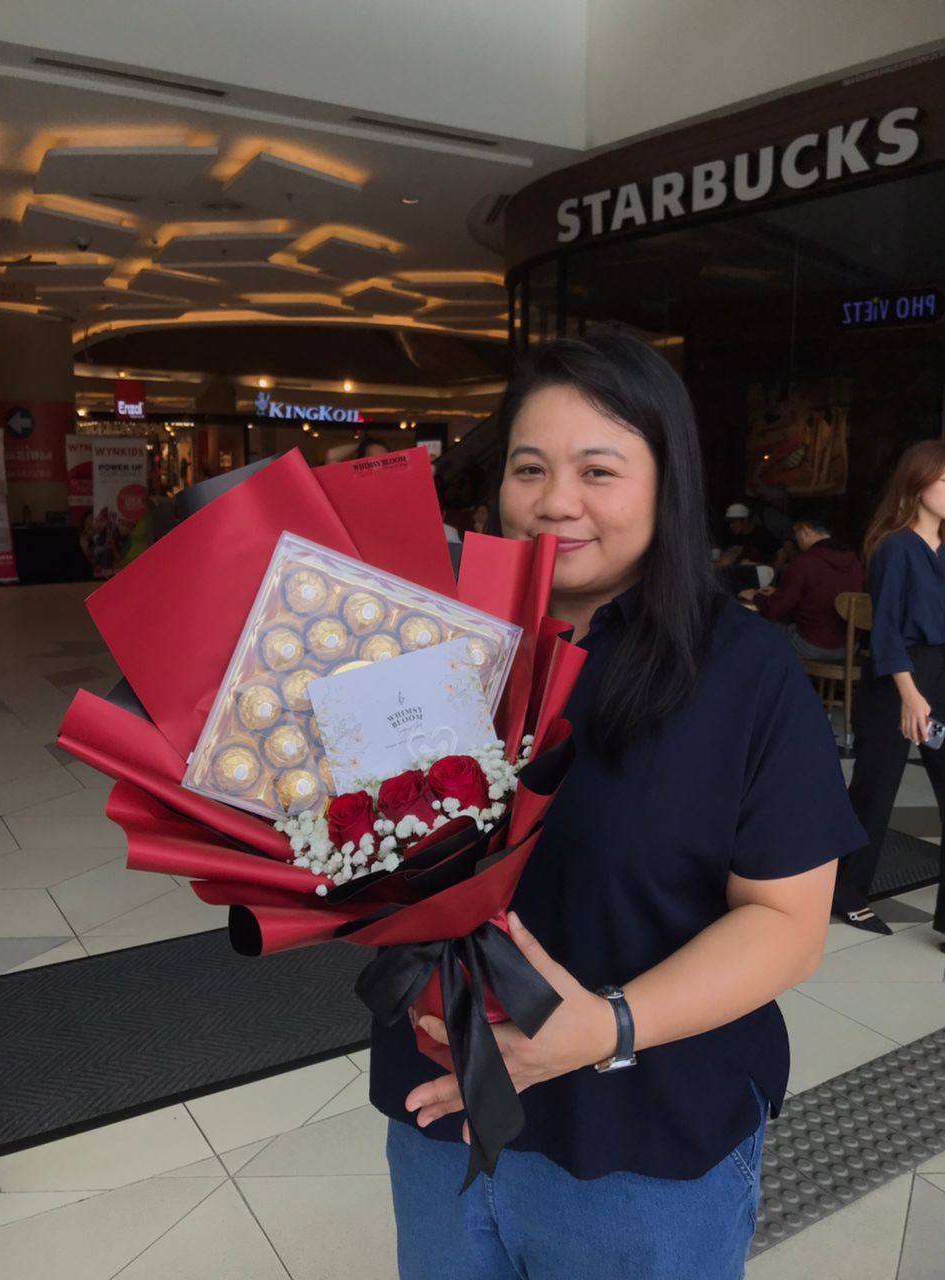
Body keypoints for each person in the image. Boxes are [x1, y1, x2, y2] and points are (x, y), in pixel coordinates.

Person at [370, 328, 864, 1279]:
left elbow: (788, 925)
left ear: (667, 481)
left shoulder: (743, 673)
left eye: (598, 470)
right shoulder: (433, 646)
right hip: (441, 1115)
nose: (556, 501)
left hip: (643, 1147)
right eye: (529, 468)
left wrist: (608, 1026)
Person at [835, 441, 945, 940]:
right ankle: (847, 895)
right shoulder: (894, 547)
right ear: (917, 484)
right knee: (874, 794)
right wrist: (909, 694)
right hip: (899, 680)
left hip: (941, 676)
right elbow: (886, 632)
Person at [740, 509, 864, 661]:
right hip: (849, 647)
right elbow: (818, 594)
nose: (796, 539)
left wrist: (755, 596)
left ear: (805, 531)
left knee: (755, 626)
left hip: (811, 645)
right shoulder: (854, 561)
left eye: (796, 533)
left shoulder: (805, 561)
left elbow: (776, 608)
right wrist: (779, 593)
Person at [716, 502, 781, 569]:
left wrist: (774, 573)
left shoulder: (762, 534)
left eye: (733, 522)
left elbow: (781, 553)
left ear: (745, 520)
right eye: (729, 523)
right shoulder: (733, 535)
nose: (731, 526)